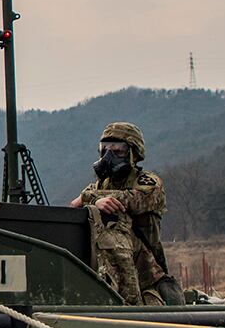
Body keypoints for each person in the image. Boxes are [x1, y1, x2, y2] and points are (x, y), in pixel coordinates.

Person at [69, 122, 181, 306]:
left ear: (134, 154)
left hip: (146, 273)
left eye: (118, 151)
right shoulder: (101, 185)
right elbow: (74, 206)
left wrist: (90, 198)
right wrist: (94, 200)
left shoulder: (148, 182)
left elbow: (132, 201)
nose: (109, 156)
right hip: (108, 269)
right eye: (104, 149)